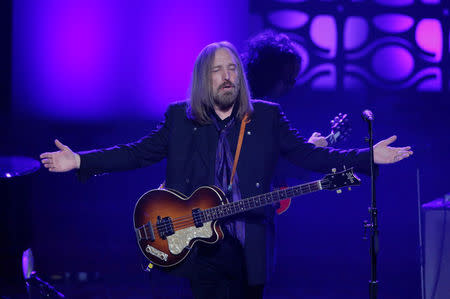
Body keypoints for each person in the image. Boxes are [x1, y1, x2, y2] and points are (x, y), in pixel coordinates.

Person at [40, 41, 412, 299]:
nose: (227, 76)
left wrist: (366, 157)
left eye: (232, 68)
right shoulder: (180, 119)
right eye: (218, 70)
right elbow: (136, 153)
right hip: (195, 246)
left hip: (249, 242)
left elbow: (309, 158)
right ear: (205, 78)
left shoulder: (266, 116)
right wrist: (81, 160)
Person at [241, 30, 327, 148]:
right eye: (289, 80)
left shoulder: (236, 101)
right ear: (270, 76)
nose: (291, 86)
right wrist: (310, 148)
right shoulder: (266, 112)